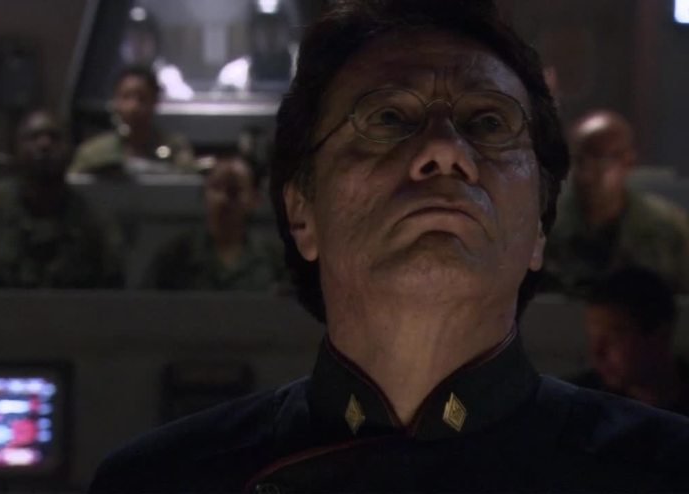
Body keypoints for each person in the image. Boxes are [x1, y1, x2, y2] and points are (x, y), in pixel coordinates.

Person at [90, 1, 689, 492]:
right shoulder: (165, 480)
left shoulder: (664, 471)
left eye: (488, 123)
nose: (444, 150)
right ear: (302, 211)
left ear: (540, 225)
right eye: (387, 120)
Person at [0, 110, 124, 289]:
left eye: (55, 137)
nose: (44, 145)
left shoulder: (94, 224)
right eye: (33, 137)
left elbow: (112, 295)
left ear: (72, 150)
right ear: (15, 150)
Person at [544, 110, 689, 295]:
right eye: (579, 161)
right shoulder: (544, 227)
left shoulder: (666, 229)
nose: (586, 175)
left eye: (600, 161)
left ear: (627, 162)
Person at [140, 149, 285, 291]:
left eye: (233, 190)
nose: (222, 199)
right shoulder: (175, 256)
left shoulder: (274, 260)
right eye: (216, 187)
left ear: (254, 199)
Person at [571, 267, 689, 416]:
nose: (597, 353)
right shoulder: (579, 402)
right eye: (593, 338)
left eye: (613, 339)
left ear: (660, 336)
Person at [70, 66, 194, 178]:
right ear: (115, 102)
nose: (133, 107)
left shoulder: (175, 148)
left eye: (142, 98)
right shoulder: (93, 153)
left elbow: (188, 183)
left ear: (155, 102)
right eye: (126, 97)